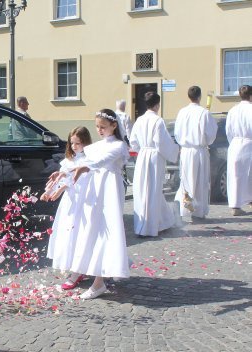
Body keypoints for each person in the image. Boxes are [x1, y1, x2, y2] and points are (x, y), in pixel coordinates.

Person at [68, 109, 131, 299]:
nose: (99, 130)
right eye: (97, 127)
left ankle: (99, 282)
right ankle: (97, 273)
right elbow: (80, 161)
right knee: (94, 231)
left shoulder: (119, 145)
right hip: (96, 190)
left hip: (110, 189)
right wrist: (64, 173)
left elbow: (102, 161)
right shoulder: (97, 146)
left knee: (107, 230)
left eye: (103, 127)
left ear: (114, 125)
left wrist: (85, 167)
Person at [41, 126, 92, 290]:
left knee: (78, 232)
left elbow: (75, 179)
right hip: (70, 201)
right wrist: (50, 192)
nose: (75, 146)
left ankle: (78, 269)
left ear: (85, 143)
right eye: (72, 143)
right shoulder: (70, 159)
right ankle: (73, 266)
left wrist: (60, 189)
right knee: (67, 232)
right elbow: (62, 179)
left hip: (83, 201)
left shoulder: (88, 159)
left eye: (78, 143)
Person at [129, 92, 179, 237]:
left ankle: (161, 222)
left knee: (143, 190)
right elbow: (161, 142)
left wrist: (141, 150)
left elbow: (133, 141)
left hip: (143, 155)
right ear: (157, 104)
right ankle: (150, 227)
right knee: (153, 190)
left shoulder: (139, 120)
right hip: (154, 157)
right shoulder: (158, 120)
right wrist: (175, 150)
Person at [173, 86, 218, 219]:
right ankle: (197, 211)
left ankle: (185, 209)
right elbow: (211, 134)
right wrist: (206, 141)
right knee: (200, 181)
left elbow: (177, 132)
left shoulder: (182, 112)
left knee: (186, 180)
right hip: (199, 151)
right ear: (200, 96)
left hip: (186, 151)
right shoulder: (204, 113)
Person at [225, 85, 252, 216]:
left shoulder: (232, 110)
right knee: (249, 175)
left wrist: (233, 142)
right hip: (249, 142)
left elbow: (228, 130)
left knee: (234, 175)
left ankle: (235, 205)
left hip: (235, 144)